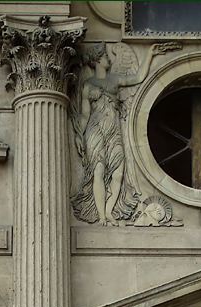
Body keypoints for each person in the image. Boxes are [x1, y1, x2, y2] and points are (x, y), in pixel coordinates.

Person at [71, 42, 173, 225]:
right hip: (95, 130)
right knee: (98, 171)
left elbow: (139, 77)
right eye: (104, 56)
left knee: (118, 173)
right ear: (96, 61)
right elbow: (85, 115)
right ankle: (101, 216)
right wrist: (79, 135)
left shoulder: (115, 80)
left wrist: (150, 53)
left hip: (114, 130)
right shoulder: (88, 85)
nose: (108, 58)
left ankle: (110, 212)